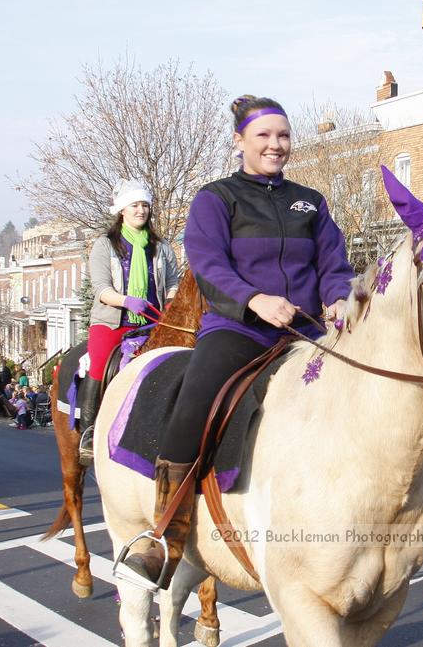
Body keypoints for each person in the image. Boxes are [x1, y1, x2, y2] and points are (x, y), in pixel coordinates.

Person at [120, 94, 354, 591]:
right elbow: (208, 265)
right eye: (264, 136)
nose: (276, 145)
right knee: (193, 401)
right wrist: (255, 300)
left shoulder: (311, 202)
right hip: (239, 328)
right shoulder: (216, 198)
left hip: (307, 332)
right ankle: (165, 535)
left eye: (283, 135)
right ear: (239, 141)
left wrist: (337, 298)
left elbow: (333, 264)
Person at [78, 176, 182, 457]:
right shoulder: (105, 245)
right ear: (122, 210)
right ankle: (88, 432)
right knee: (98, 365)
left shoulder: (161, 248)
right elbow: (101, 288)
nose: (141, 210)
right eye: (135, 205)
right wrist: (126, 301)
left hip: (153, 322)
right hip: (113, 321)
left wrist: (170, 303)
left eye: (145, 205)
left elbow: (173, 281)